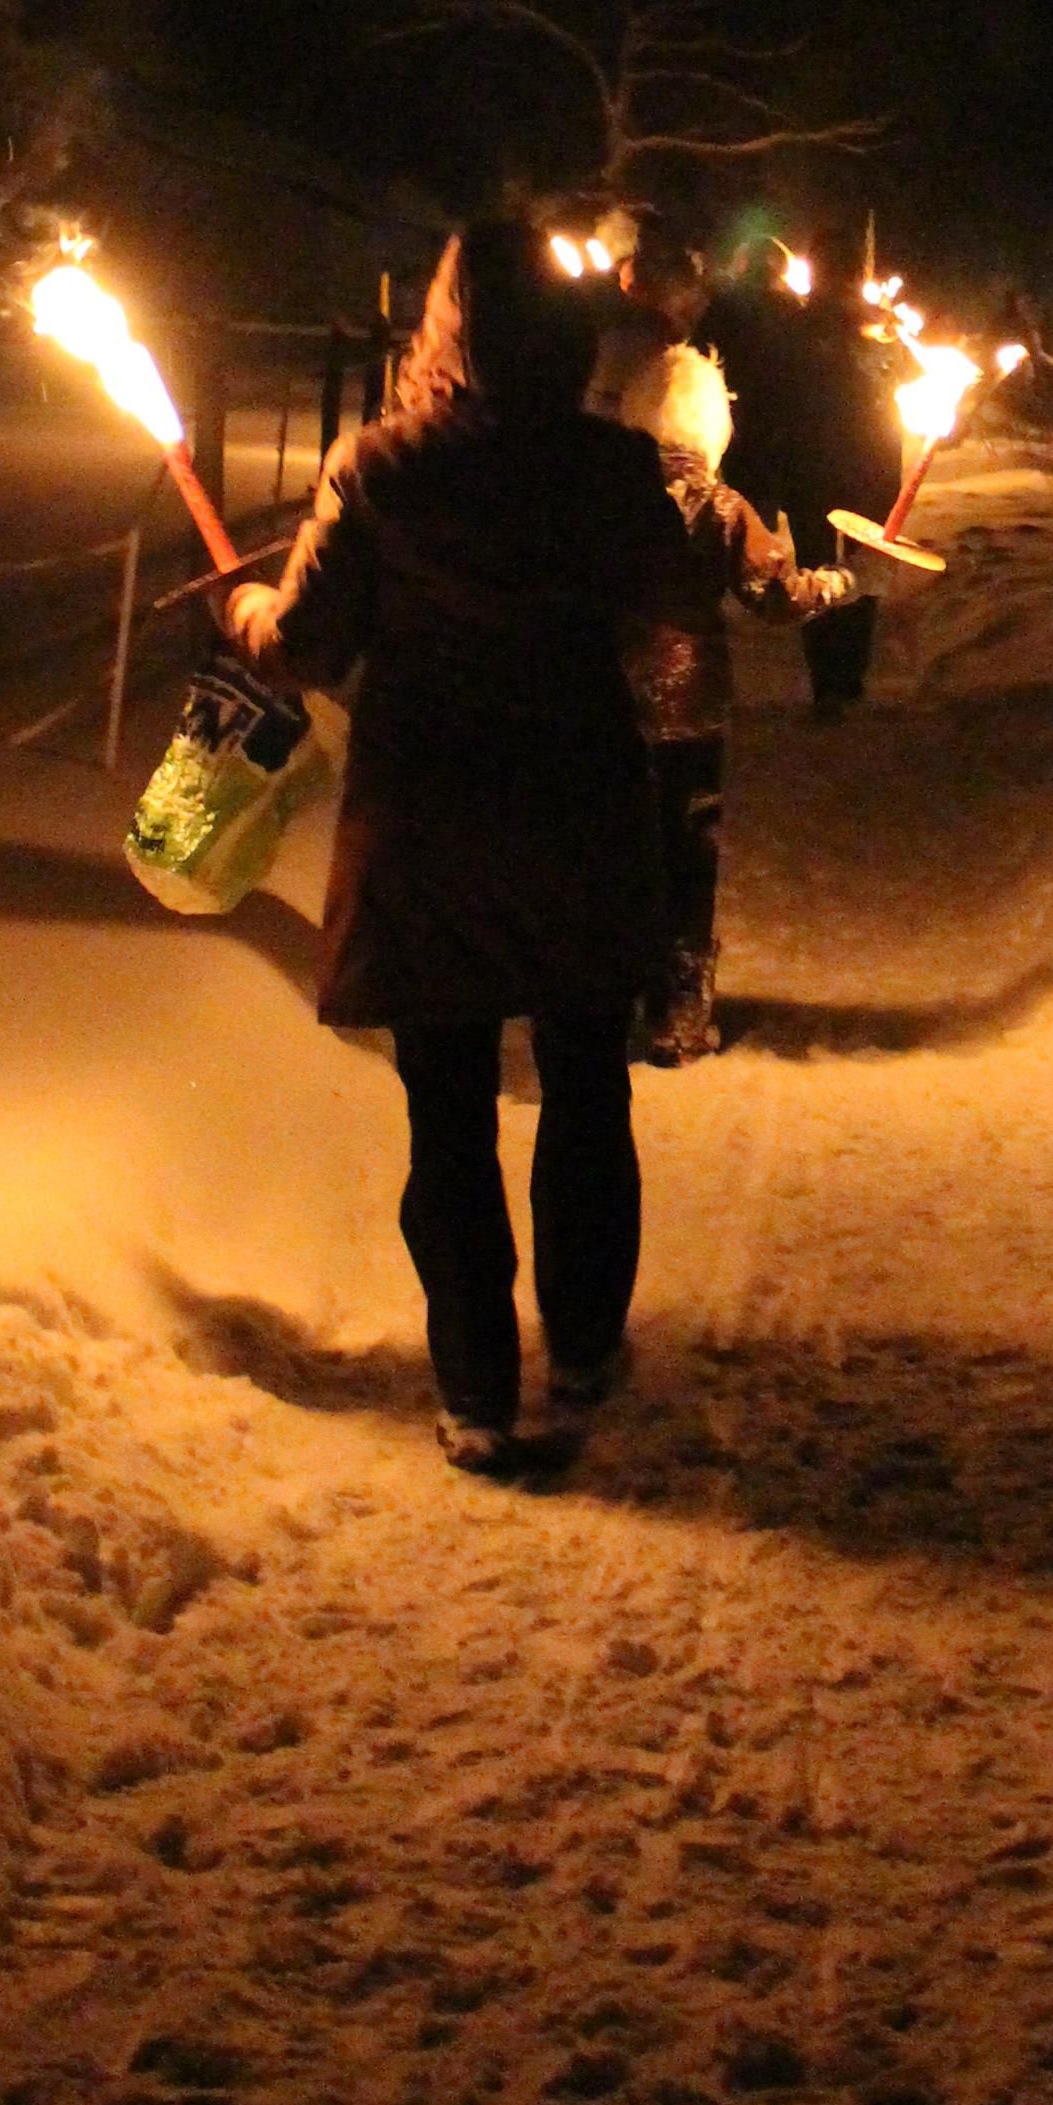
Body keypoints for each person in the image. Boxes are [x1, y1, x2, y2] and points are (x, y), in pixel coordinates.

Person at [219, 219, 835, 1473]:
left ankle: (476, 1389)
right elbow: (667, 598)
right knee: (585, 1086)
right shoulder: (613, 474)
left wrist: (246, 609)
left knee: (447, 1106)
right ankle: (590, 1347)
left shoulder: (382, 468)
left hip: (432, 819)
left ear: (448, 325)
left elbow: (311, 647)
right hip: (575, 804)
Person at [586, 223, 839, 1063]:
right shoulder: (717, 506)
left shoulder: (596, 496)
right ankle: (681, 1009)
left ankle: (608, 995)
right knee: (687, 849)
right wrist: (833, 586)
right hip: (689, 701)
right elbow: (774, 594)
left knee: (615, 843)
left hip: (602, 696)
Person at [712, 257, 904, 714]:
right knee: (859, 568)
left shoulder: (809, 328)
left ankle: (830, 682)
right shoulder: (869, 330)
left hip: (816, 468)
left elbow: (769, 398)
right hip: (855, 467)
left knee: (824, 562)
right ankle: (844, 680)